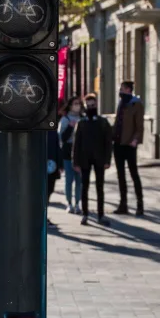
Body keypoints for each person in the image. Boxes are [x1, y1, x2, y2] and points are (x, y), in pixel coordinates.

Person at [73, 94, 113, 226]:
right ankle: (85, 214)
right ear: (85, 106)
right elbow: (76, 144)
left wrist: (108, 160)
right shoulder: (82, 123)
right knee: (84, 187)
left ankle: (101, 215)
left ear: (97, 105)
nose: (91, 107)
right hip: (84, 159)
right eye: (88, 105)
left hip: (99, 159)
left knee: (99, 187)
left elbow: (108, 142)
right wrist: (76, 162)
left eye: (93, 105)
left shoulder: (103, 122)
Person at [113, 80, 145, 216]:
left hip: (129, 145)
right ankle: (123, 204)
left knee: (134, 174)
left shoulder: (136, 104)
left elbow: (139, 125)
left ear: (128, 89)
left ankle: (140, 205)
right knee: (121, 176)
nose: (120, 90)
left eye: (122, 88)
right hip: (118, 144)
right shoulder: (121, 102)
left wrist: (135, 140)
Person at [59, 96, 83, 214]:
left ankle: (78, 203)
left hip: (81, 153)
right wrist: (70, 127)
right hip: (68, 153)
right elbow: (62, 137)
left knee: (79, 181)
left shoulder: (83, 118)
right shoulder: (65, 119)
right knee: (69, 179)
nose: (77, 105)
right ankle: (69, 203)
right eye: (75, 103)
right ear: (70, 105)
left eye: (79, 103)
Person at [46, 129, 62, 226]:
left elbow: (57, 147)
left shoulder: (52, 130)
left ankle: (43, 215)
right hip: (39, 166)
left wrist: (60, 165)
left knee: (49, 190)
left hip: (52, 166)